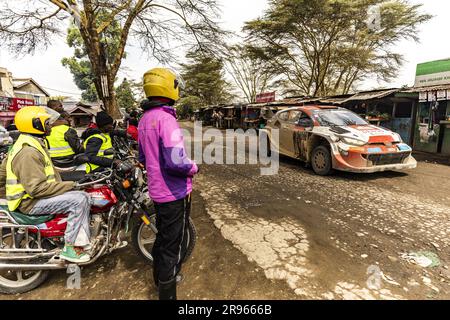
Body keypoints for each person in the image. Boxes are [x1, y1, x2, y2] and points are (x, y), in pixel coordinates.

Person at [2, 106, 91, 263]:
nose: (51, 125)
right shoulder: (28, 152)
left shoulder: (33, 144)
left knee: (84, 194)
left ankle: (82, 241)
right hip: (29, 202)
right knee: (79, 200)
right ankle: (70, 248)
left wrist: (80, 176)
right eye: (47, 123)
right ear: (35, 124)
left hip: (33, 197)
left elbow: (49, 171)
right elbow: (36, 188)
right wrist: (73, 185)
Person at [139, 68, 199, 300]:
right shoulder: (167, 119)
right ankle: (167, 292)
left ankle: (158, 278)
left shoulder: (145, 119)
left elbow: (143, 158)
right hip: (174, 193)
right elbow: (177, 162)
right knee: (172, 245)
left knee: (163, 238)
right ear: (169, 87)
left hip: (157, 190)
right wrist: (193, 167)